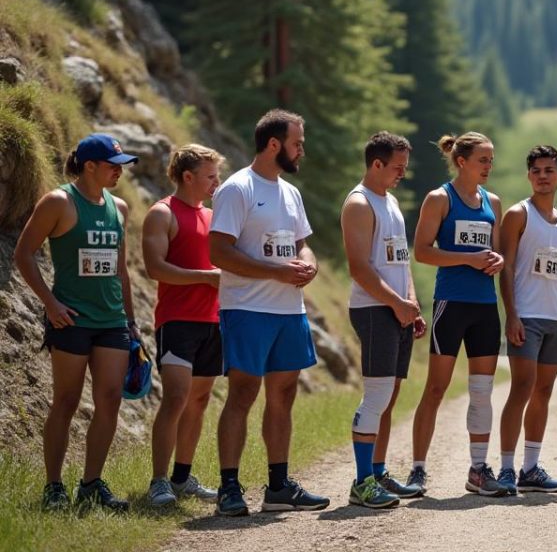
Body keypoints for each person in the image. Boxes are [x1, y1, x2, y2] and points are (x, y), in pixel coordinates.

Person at [209, 109, 327, 516]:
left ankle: (278, 486)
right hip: (246, 308)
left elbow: (302, 243)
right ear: (274, 144)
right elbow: (219, 252)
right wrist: (277, 270)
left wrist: (307, 262)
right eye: (297, 144)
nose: (301, 151)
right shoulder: (236, 188)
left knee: (285, 394)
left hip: (288, 310)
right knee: (243, 393)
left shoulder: (290, 193)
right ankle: (229, 487)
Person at [16, 134, 139, 512]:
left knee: (110, 400)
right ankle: (54, 487)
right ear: (90, 166)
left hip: (112, 321)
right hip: (71, 320)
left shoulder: (118, 207)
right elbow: (23, 254)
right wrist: (50, 304)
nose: (120, 172)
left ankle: (90, 484)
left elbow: (121, 270)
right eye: (113, 165)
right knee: (66, 401)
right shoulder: (58, 201)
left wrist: (132, 323)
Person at [408, 132, 506, 498]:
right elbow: (421, 251)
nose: (489, 167)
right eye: (483, 160)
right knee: (436, 388)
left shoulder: (492, 202)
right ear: (462, 161)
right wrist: (467, 258)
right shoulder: (439, 199)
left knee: (482, 392)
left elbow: (495, 253)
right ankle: (418, 469)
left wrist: (498, 260)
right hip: (451, 303)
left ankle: (478, 469)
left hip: (484, 306)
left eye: (491, 160)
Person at [341, 132, 426, 509]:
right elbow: (359, 268)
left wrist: (412, 303)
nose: (401, 175)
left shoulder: (390, 201)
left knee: (388, 397)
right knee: (376, 395)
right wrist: (396, 304)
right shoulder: (359, 204)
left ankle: (377, 471)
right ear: (376, 164)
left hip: (396, 309)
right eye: (396, 167)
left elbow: (399, 259)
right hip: (374, 309)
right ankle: (362, 483)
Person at [496, 145, 557, 496]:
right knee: (521, 388)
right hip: (527, 317)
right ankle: (505, 469)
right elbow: (505, 268)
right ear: (529, 176)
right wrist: (512, 314)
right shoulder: (519, 215)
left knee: (544, 392)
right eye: (536, 170)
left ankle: (530, 468)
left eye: (549, 170)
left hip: (554, 319)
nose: (543, 176)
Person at [143, 144, 225, 507]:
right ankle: (158, 481)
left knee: (200, 400)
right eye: (210, 176)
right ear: (187, 177)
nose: (216, 182)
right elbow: (155, 268)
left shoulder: (212, 215)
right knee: (175, 397)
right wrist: (205, 279)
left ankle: (182, 477)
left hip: (213, 320)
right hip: (177, 321)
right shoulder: (162, 213)